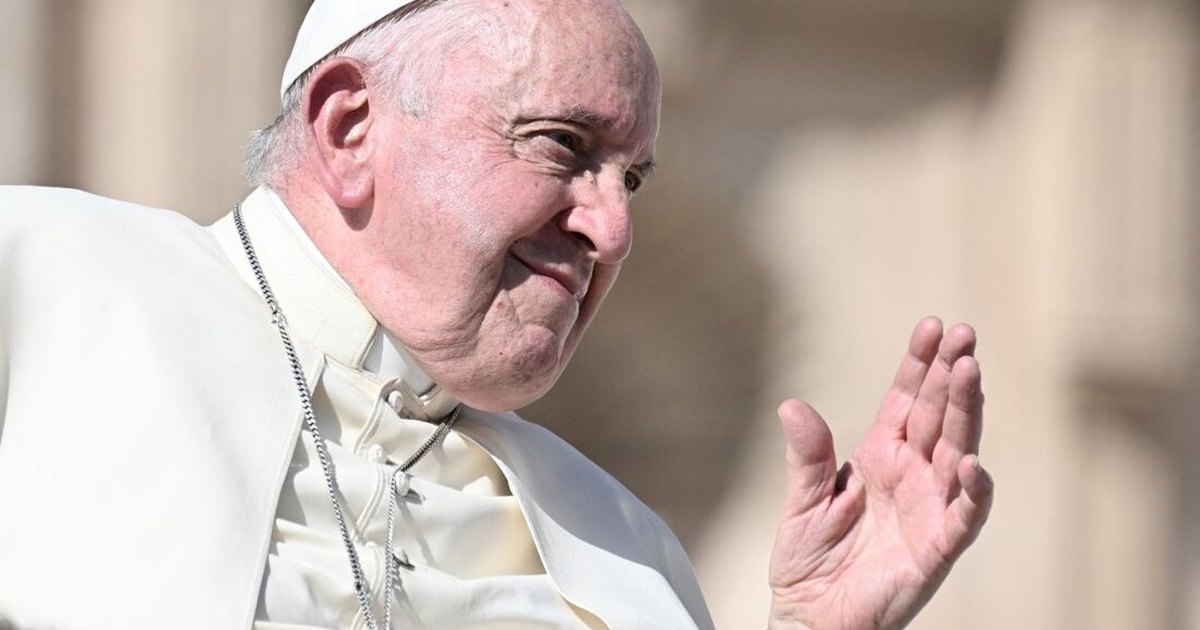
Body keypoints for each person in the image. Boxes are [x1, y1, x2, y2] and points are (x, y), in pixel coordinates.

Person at [0, 0, 993, 628]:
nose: (613, 228)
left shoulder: (619, 545)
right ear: (349, 129)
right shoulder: (46, 284)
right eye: (564, 146)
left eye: (631, 180)